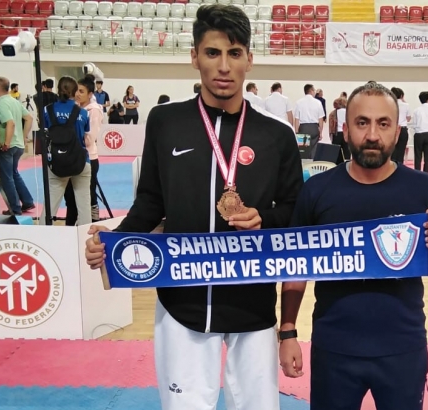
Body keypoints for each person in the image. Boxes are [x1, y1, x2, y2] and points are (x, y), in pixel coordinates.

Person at [84, 5, 303, 410]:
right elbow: (151, 200)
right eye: (212, 53)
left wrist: (265, 218)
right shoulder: (165, 122)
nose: (224, 66)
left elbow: (294, 210)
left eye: (234, 53)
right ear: (194, 57)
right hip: (181, 300)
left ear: (250, 59)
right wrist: (114, 240)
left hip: (253, 301)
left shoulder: (277, 135)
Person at [279, 82, 428, 410]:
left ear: (397, 132)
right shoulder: (317, 190)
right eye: (362, 123)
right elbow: (295, 266)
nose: (372, 135)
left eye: (383, 124)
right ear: (345, 130)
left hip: (403, 346)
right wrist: (287, 331)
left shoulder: (422, 188)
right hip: (335, 346)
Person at [42, 76, 93, 226]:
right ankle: (86, 234)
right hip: (80, 161)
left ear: (58, 90)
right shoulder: (83, 113)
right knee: (84, 204)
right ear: (75, 92)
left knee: (50, 205)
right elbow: (86, 135)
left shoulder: (47, 110)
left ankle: (41, 233)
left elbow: (46, 132)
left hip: (57, 161)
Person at [0, 76, 35, 215]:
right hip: (18, 145)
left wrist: (7, 142)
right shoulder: (14, 101)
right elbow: (29, 118)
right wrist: (23, 137)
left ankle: (15, 208)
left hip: (8, 146)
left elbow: (10, 122)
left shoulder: (1, 103)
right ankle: (27, 201)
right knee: (14, 173)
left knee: (7, 177)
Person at [64, 76, 103, 225]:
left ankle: (93, 222)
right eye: (76, 91)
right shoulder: (75, 109)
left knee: (89, 195)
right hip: (72, 157)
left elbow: (89, 138)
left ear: (90, 94)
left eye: (81, 91)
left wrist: (71, 138)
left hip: (88, 158)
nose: (77, 94)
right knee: (70, 196)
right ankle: (71, 224)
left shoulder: (93, 111)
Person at [412, 91, 428, 173]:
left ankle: (417, 174)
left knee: (418, 156)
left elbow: (414, 124)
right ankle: (426, 173)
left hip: (419, 134)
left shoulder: (416, 110)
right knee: (427, 157)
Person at [390, 87, 411, 164]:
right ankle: (400, 167)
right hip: (403, 129)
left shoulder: (389, 105)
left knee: (392, 151)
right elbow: (408, 118)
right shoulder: (406, 105)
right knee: (401, 151)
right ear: (401, 95)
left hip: (392, 129)